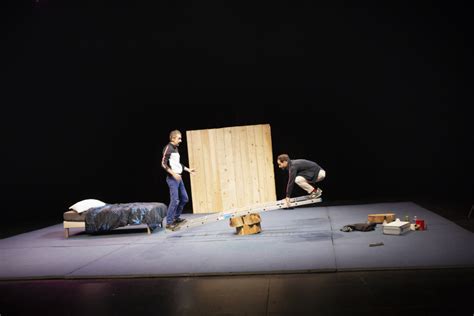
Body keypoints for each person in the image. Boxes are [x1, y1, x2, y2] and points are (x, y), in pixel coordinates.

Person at [162, 130, 195, 229]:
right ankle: (169, 222)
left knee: (185, 198)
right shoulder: (168, 148)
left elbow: (178, 164)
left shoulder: (176, 149)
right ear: (173, 138)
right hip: (172, 178)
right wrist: (174, 174)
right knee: (175, 200)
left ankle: (175, 218)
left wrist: (188, 170)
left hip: (179, 178)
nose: (180, 140)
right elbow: (163, 164)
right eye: (179, 138)